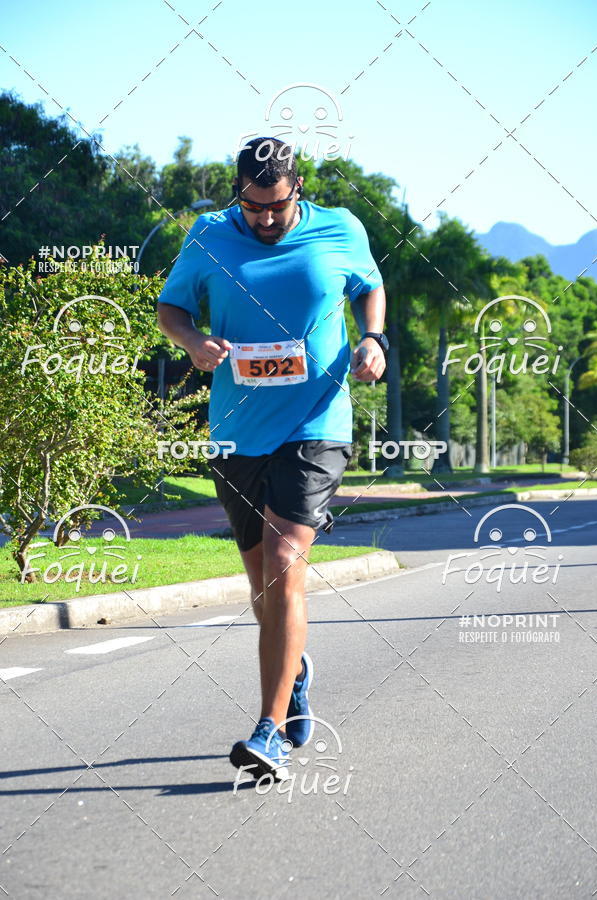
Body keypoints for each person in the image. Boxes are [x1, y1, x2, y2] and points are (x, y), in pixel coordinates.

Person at [157, 137, 387, 780]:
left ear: (297, 188)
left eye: (276, 207)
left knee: (285, 558)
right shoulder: (208, 234)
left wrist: (373, 338)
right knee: (263, 580)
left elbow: (370, 287)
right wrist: (194, 339)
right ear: (239, 193)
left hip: (316, 422)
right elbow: (170, 307)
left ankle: (269, 731)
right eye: (253, 207)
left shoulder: (339, 228)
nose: (264, 219)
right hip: (236, 431)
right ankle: (296, 666)